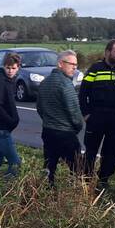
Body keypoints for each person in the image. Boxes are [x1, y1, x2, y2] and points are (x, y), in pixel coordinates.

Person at [79, 39, 115, 191]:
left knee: (112, 152)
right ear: (108, 52)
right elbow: (83, 93)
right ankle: (86, 180)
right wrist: (86, 114)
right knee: (91, 151)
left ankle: (103, 181)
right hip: (97, 115)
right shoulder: (95, 68)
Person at [36, 50, 84, 187]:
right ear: (60, 64)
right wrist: (77, 127)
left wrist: (48, 120)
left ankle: (46, 193)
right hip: (65, 133)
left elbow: (39, 108)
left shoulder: (44, 83)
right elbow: (74, 112)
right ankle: (73, 195)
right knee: (77, 169)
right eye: (71, 64)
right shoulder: (65, 84)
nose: (75, 67)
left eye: (76, 64)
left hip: (48, 131)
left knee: (49, 167)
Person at [0, 51, 22, 185]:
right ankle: (9, 188)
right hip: (1, 129)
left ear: (18, 67)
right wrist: (11, 120)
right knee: (15, 163)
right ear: (4, 66)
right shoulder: (2, 81)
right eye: (8, 67)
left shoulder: (8, 80)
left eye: (13, 68)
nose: (10, 71)